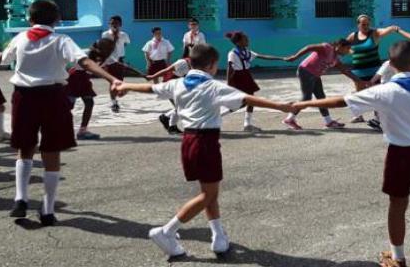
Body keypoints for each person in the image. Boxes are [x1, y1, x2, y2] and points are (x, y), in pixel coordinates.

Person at [292, 40, 410, 267]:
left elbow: (341, 101)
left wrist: (303, 105)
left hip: (398, 155)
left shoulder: (383, 91)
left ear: (391, 64)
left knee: (397, 205)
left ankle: (398, 258)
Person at [114, 43, 292, 258]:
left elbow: (150, 88)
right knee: (209, 194)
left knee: (209, 191)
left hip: (187, 140)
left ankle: (218, 238)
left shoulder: (178, 83)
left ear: (190, 62)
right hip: (206, 142)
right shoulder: (213, 86)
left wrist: (124, 86)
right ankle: (166, 231)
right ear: (211, 65)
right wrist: (280, 106)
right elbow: (247, 98)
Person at [0, 0, 122, 226]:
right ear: (57, 20)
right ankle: (47, 209)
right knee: (51, 151)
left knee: (25, 148)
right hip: (53, 97)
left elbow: (1, 59)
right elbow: (84, 61)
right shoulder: (61, 40)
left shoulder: (19, 38)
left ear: (30, 19)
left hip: (24, 97)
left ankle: (20, 199)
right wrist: (112, 78)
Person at [282, 39, 360, 130]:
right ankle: (289, 119)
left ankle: (328, 122)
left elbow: (345, 70)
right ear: (339, 46)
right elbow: (309, 47)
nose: (348, 51)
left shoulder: (335, 59)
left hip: (315, 74)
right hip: (306, 71)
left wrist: (360, 81)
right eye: (347, 48)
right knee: (306, 98)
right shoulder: (327, 48)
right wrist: (295, 57)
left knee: (321, 98)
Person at [224, 31, 287, 132]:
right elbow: (230, 68)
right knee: (242, 103)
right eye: (245, 39)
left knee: (250, 100)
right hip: (237, 77)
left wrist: (282, 58)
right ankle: (219, 115)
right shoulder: (233, 53)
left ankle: (247, 125)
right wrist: (228, 84)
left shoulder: (247, 52)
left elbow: (263, 56)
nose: (248, 40)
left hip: (246, 76)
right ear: (238, 42)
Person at [345, 15, 399, 123]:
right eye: (363, 24)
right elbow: (344, 45)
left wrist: (392, 28)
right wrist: (351, 52)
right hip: (358, 70)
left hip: (373, 70)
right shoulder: (353, 35)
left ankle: (378, 117)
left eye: (367, 24)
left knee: (376, 93)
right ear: (358, 25)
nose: (365, 26)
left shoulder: (373, 33)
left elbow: (383, 31)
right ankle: (359, 116)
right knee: (358, 93)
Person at [66, 38, 116, 140]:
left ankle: (82, 131)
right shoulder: (84, 53)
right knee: (67, 107)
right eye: (108, 48)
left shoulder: (104, 57)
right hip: (73, 79)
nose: (110, 51)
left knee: (89, 103)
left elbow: (114, 64)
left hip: (84, 81)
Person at [147, 57, 192, 134]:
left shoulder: (198, 67)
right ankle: (170, 124)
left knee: (181, 107)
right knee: (181, 107)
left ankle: (167, 119)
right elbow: (166, 70)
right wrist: (153, 76)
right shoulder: (181, 62)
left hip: (179, 86)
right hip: (170, 86)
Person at [102, 15, 130, 113]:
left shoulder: (124, 35)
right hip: (110, 61)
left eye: (116, 23)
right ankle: (114, 103)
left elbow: (125, 44)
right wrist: (114, 38)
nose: (114, 25)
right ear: (109, 24)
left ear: (120, 24)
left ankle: (116, 96)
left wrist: (120, 54)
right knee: (113, 82)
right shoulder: (105, 34)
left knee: (120, 82)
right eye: (112, 23)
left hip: (120, 61)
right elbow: (107, 48)